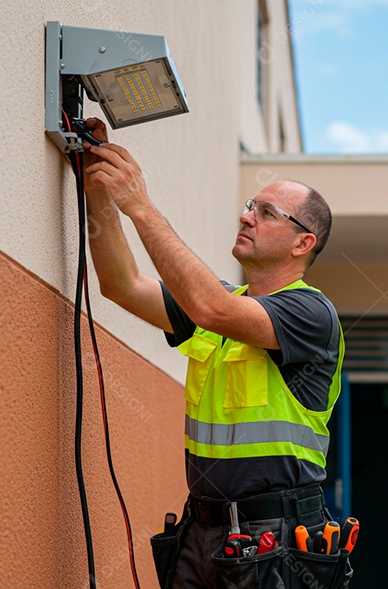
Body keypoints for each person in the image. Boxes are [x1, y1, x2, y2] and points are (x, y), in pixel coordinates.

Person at [80, 118, 346, 588]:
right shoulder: (226, 306)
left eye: (267, 213)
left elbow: (210, 308)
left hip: (275, 536)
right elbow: (121, 285)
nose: (247, 216)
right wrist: (99, 186)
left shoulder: (311, 312)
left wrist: (140, 206)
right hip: (202, 528)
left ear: (303, 243)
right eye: (250, 206)